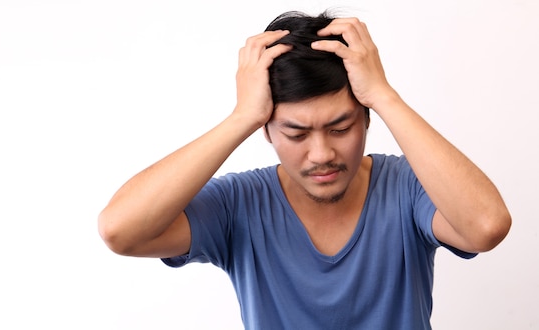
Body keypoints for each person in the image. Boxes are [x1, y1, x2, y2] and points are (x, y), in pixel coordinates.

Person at [98, 10, 511, 330]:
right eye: (296, 134)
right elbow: (120, 230)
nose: (321, 154)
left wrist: (385, 96)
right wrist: (240, 117)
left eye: (341, 127)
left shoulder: (407, 187)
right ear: (266, 131)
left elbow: (486, 226)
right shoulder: (239, 204)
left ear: (366, 119)